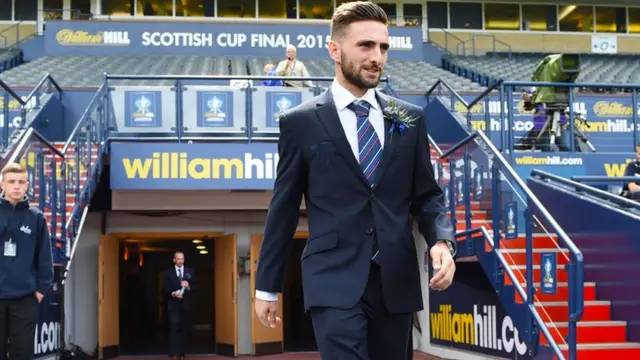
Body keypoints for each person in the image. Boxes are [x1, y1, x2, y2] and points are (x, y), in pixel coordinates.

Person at [254, 2, 456, 359]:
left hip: (395, 280)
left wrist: (441, 242)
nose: (377, 56)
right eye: (365, 45)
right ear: (335, 49)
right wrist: (267, 286)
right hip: (332, 279)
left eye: (383, 47)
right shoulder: (299, 122)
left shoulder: (409, 118)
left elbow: (427, 195)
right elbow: (283, 209)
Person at [0, 162, 54, 360]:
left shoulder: (36, 217)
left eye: (21, 182)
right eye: (11, 181)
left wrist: (40, 290)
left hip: (24, 299)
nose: (16, 186)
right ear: (2, 185)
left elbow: (44, 257)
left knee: (22, 354)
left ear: (27, 185)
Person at [163, 251, 195, 360]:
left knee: (184, 329)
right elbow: (165, 289)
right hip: (173, 305)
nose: (180, 261)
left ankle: (183, 353)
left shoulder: (190, 271)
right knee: (174, 327)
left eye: (182, 259)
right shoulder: (168, 273)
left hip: (185, 305)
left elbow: (195, 288)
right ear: (174, 260)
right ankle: (174, 353)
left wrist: (188, 286)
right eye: (178, 259)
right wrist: (173, 293)